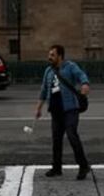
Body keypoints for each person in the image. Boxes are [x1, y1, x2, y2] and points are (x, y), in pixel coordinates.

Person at [34, 44, 91, 180]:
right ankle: (56, 167)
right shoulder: (48, 71)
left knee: (72, 135)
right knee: (56, 139)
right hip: (55, 110)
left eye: (52, 55)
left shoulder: (70, 67)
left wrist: (85, 84)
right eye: (49, 55)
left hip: (70, 109)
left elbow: (81, 75)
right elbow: (43, 90)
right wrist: (38, 108)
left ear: (60, 56)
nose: (49, 57)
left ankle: (83, 166)